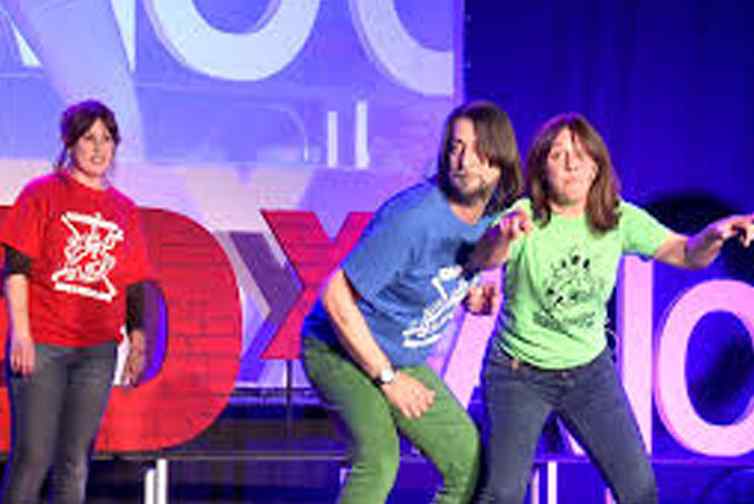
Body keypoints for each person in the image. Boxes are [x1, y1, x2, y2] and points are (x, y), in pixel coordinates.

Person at [471, 113, 754, 503]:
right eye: (557, 155)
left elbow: (686, 253)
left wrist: (714, 235)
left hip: (589, 374)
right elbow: (483, 259)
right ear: (542, 169)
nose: (570, 164)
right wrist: (501, 237)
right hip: (518, 373)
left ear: (596, 167)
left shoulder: (617, 218)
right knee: (502, 493)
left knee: (639, 490)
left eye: (580, 155)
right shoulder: (523, 215)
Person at [301, 100, 523, 503]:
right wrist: (388, 379)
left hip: (398, 354)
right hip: (337, 349)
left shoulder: (493, 216)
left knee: (467, 460)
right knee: (379, 460)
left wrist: (467, 293)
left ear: (500, 163)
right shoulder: (414, 218)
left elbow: (452, 262)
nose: (463, 161)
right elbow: (335, 297)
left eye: (477, 150)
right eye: (455, 147)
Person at [0, 99, 152, 503]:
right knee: (33, 457)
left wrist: (137, 340)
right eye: (89, 138)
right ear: (70, 143)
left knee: (75, 460)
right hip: (44, 344)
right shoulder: (42, 194)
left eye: (107, 139)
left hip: (97, 351)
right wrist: (22, 334)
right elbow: (16, 269)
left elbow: (134, 284)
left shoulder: (124, 210)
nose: (99, 149)